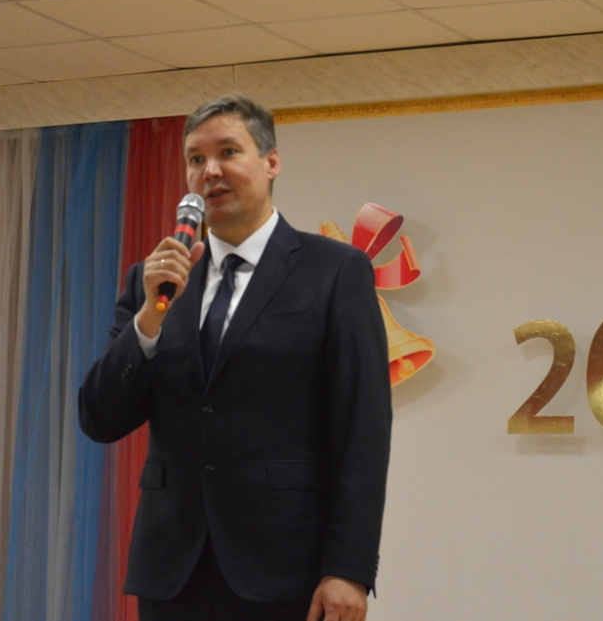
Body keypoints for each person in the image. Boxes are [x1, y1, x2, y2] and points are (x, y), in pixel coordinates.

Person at [79, 95, 392, 621]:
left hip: (286, 570)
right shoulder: (155, 282)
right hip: (172, 574)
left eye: (227, 152)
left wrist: (350, 567)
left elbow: (363, 427)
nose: (210, 171)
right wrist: (149, 319)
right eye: (195, 159)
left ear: (271, 162)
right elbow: (99, 418)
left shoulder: (334, 271)